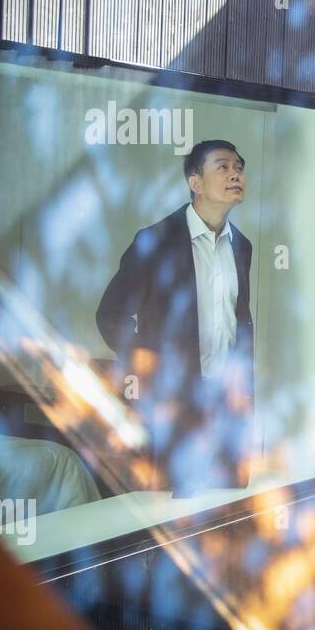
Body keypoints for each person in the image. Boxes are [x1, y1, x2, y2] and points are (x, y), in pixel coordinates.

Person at [97, 140, 255, 497]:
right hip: (174, 405)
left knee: (227, 509)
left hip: (226, 408)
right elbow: (110, 315)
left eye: (239, 167)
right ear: (195, 183)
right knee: (174, 511)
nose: (235, 174)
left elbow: (237, 321)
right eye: (223, 167)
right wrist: (149, 362)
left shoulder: (241, 246)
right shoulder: (155, 241)